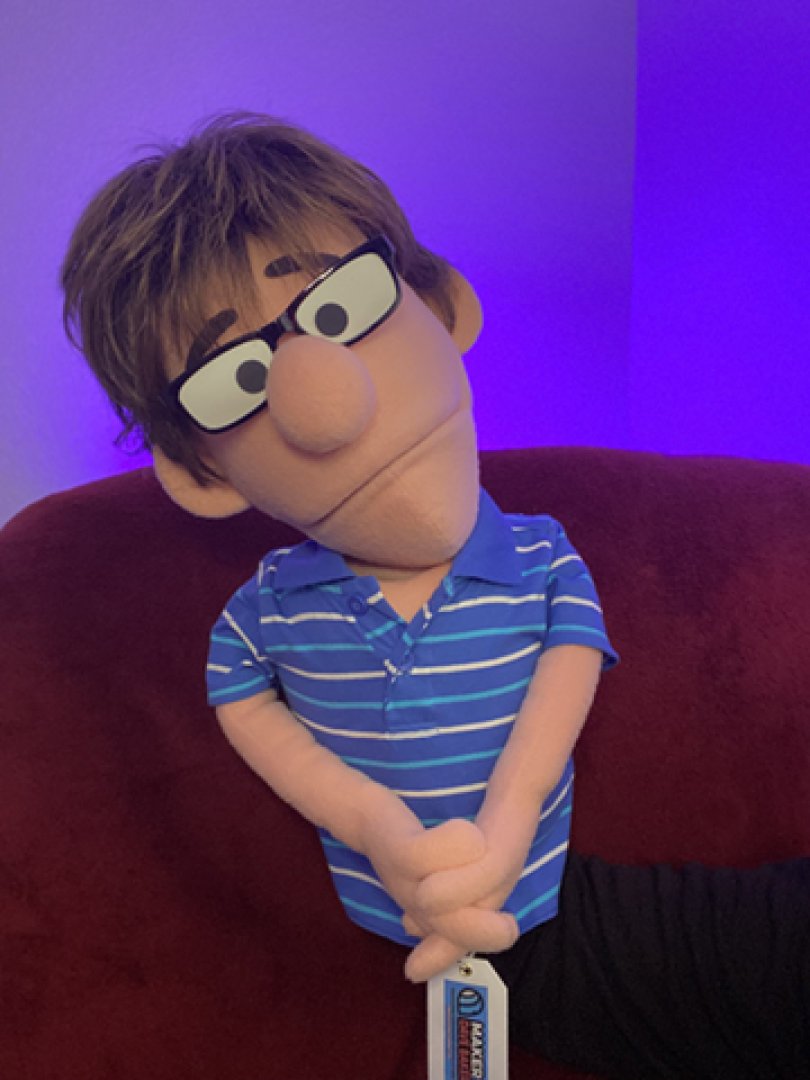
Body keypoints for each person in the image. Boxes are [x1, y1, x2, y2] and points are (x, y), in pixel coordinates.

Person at [61, 113, 810, 1079]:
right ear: (199, 470)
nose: (319, 394)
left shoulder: (541, 555)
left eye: (340, 307)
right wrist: (378, 829)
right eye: (237, 376)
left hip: (527, 891)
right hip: (423, 925)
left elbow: (564, 681)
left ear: (441, 304)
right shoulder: (267, 613)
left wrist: (506, 828)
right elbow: (245, 704)